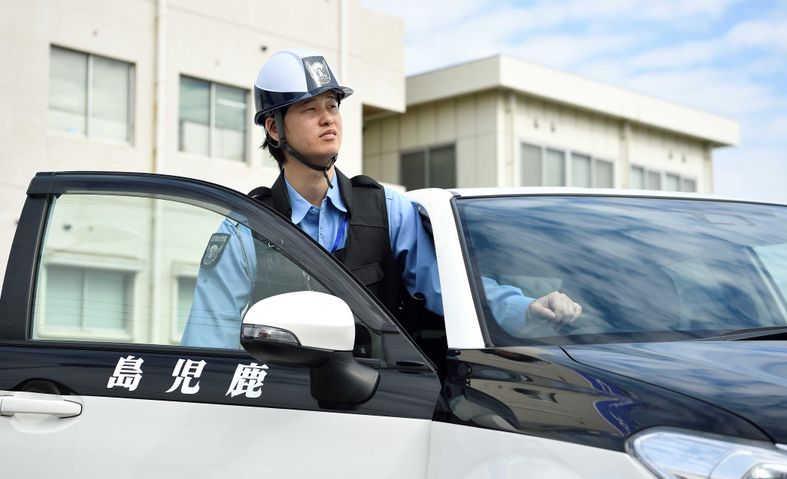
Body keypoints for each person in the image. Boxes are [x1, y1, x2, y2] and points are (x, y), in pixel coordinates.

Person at [182, 49, 580, 349]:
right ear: (274, 128)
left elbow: (445, 286)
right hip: (281, 407)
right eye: (310, 109)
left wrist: (525, 308)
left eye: (332, 105)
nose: (328, 118)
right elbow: (207, 341)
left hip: (380, 403)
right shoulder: (245, 230)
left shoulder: (388, 209)